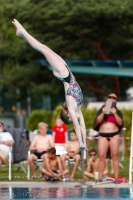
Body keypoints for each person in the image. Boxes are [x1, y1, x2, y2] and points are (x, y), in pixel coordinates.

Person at [12, 19, 86, 150]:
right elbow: (83, 127)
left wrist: (80, 144)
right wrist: (84, 144)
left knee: (41, 48)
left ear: (69, 116)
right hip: (65, 70)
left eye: (72, 118)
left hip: (63, 74)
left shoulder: (72, 106)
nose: (78, 119)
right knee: (44, 47)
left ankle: (22, 32)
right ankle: (22, 32)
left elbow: (77, 126)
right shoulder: (78, 107)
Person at [93, 93, 124, 183]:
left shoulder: (118, 111)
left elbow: (120, 123)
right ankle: (100, 178)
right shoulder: (101, 109)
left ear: (116, 100)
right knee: (102, 156)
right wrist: (103, 112)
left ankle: (116, 178)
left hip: (114, 134)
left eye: (113, 98)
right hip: (103, 134)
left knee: (115, 156)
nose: (111, 99)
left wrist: (114, 113)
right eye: (110, 97)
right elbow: (97, 121)